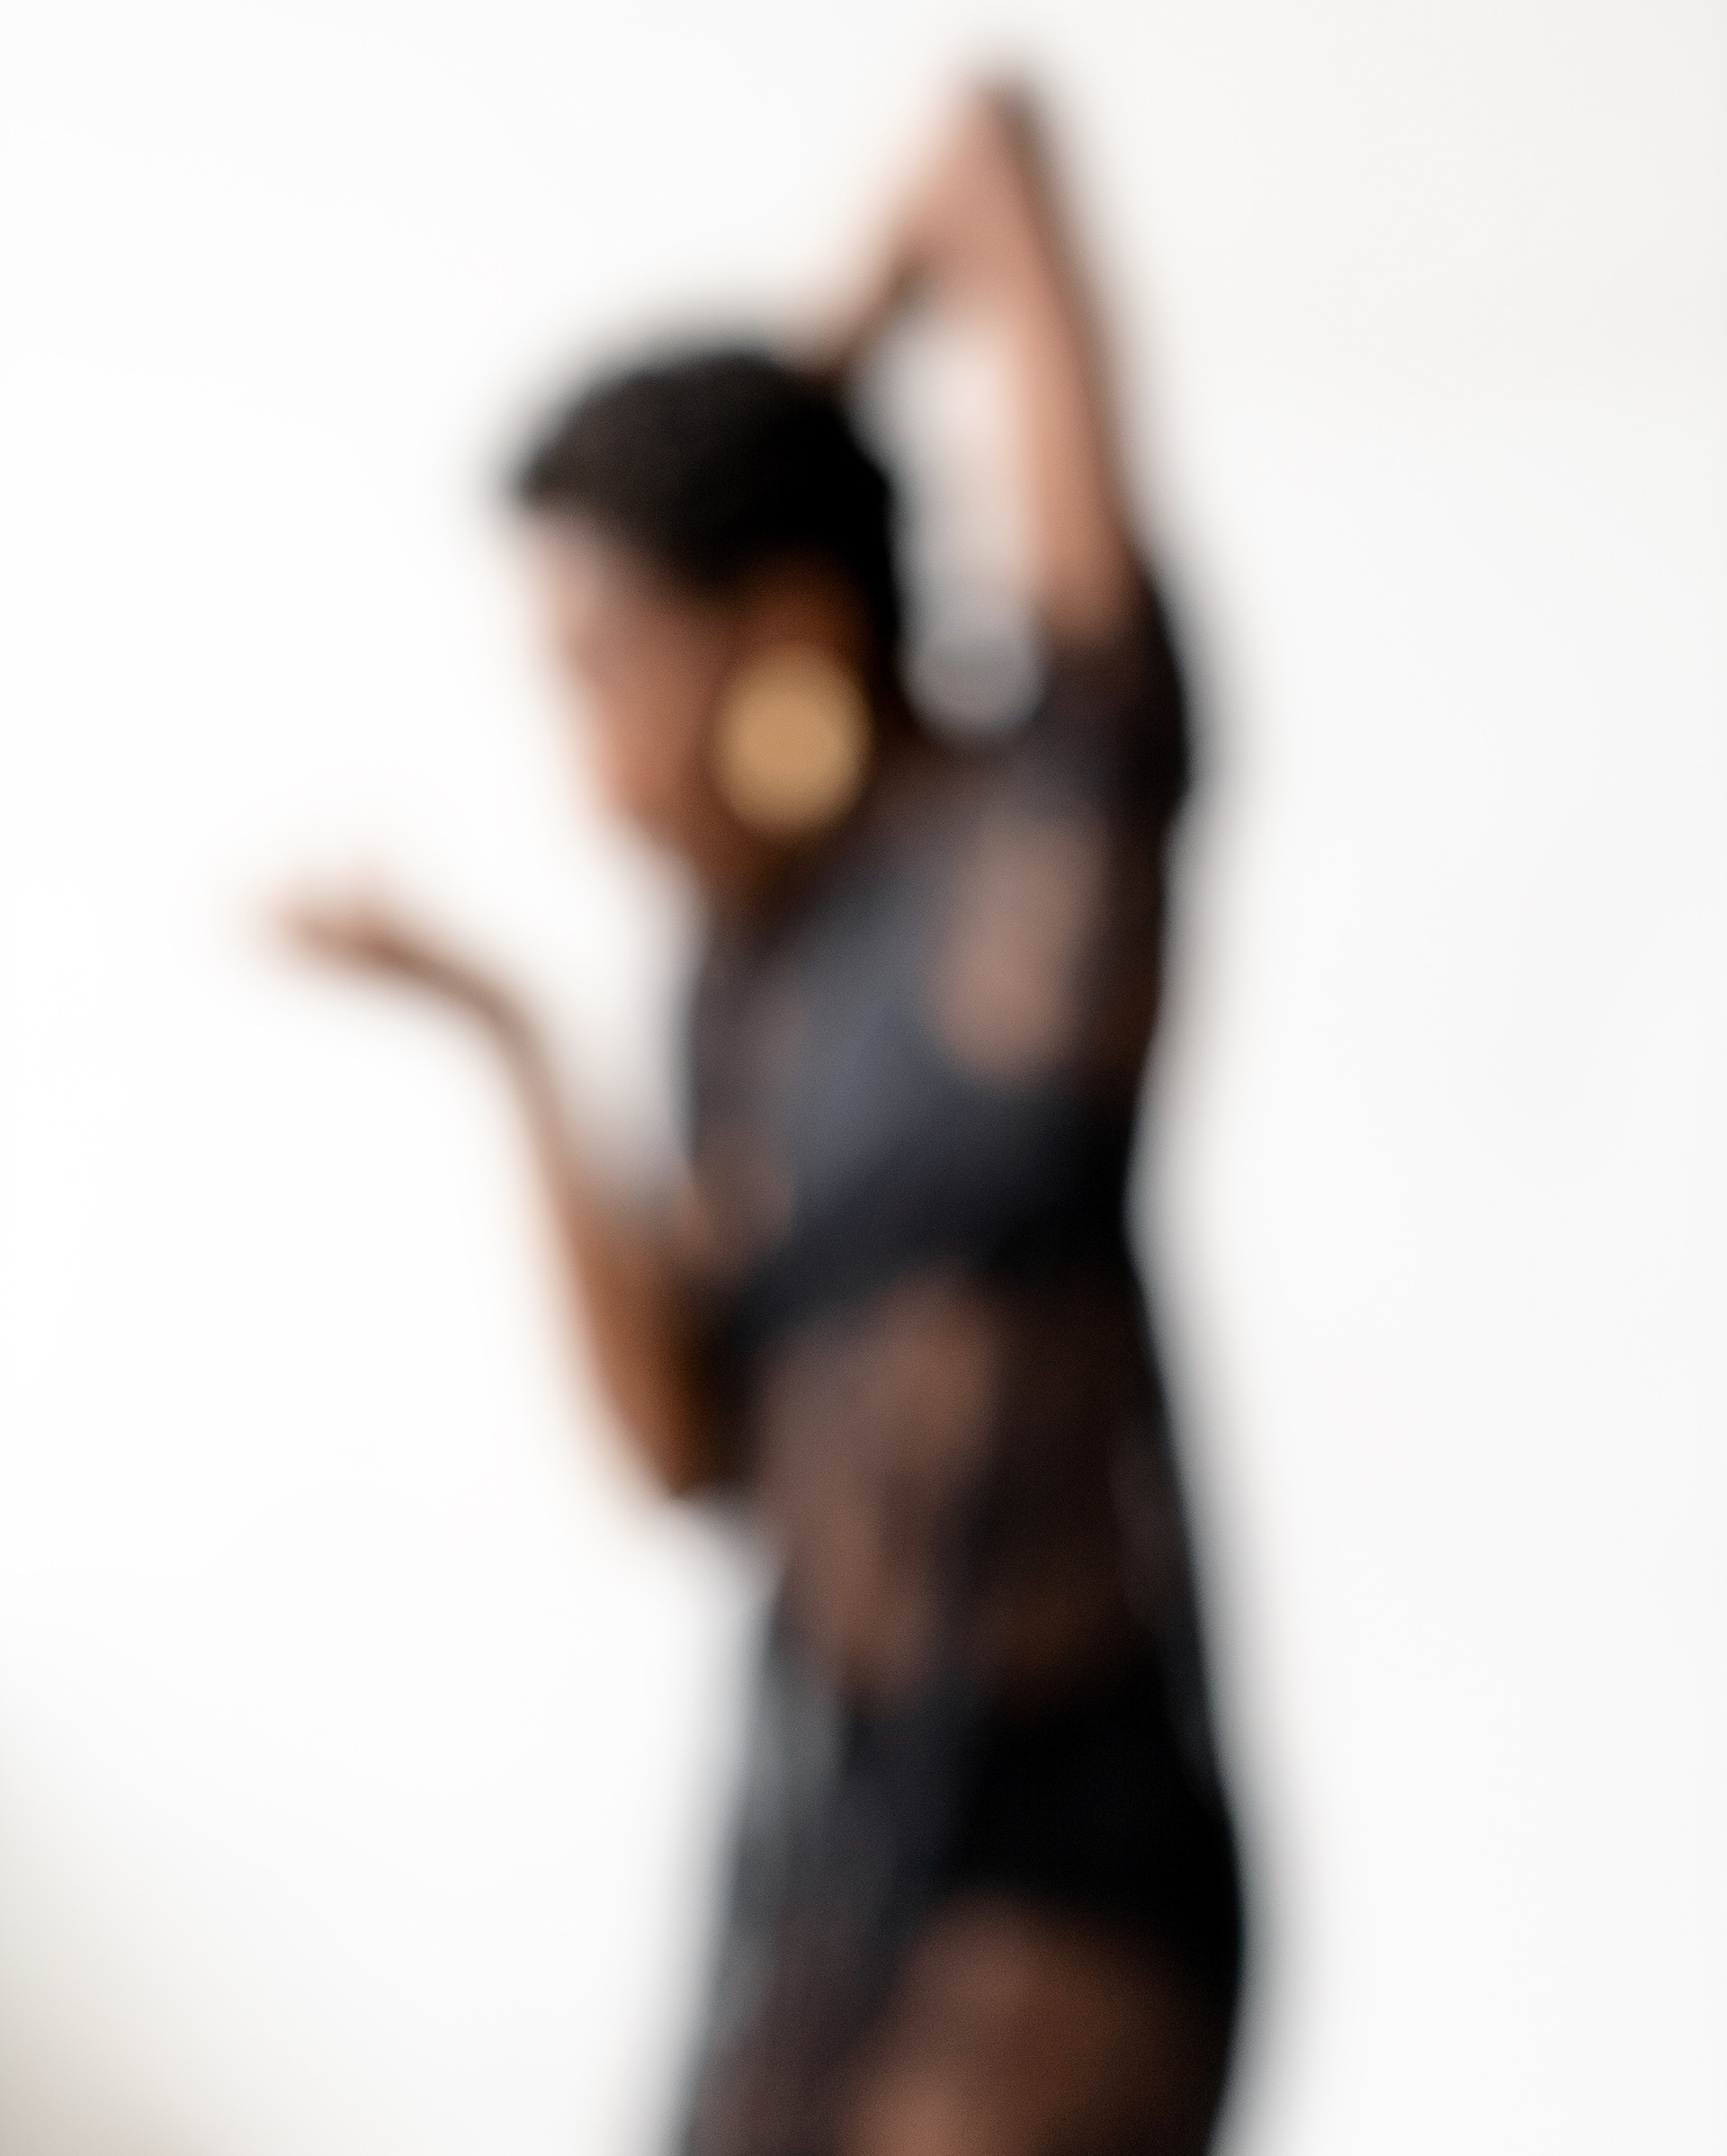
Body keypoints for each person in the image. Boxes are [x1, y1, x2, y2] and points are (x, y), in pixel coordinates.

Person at [284, 85, 1242, 2156]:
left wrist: (771, 456)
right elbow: (682, 1450)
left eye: (606, 666)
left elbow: (988, 147)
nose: (592, 764)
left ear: (784, 636)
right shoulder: (742, 982)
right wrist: (511, 1039)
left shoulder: (1050, 837)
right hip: (825, 1846)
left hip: (1065, 1872)